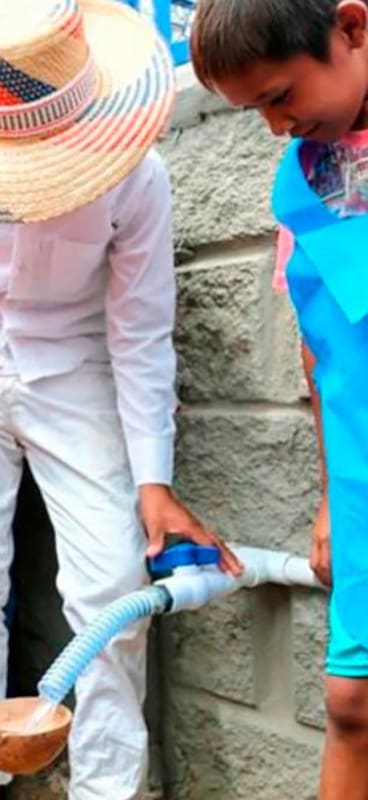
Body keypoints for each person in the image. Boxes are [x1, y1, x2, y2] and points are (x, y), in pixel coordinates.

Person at [0, 1, 242, 799]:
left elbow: (140, 332)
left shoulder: (135, 176)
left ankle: (108, 787)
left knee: (115, 584)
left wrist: (153, 484)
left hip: (78, 376)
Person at [190, 1, 368, 798]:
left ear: (352, 30)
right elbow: (317, 351)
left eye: (278, 96)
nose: (274, 127)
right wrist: (333, 501)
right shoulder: (304, 181)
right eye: (254, 108)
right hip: (363, 482)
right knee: (352, 702)